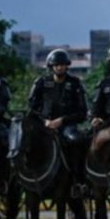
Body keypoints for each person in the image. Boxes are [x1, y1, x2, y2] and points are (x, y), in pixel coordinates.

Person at [27, 48, 89, 188]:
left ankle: (79, 179)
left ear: (67, 66)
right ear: (51, 67)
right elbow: (32, 108)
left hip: (67, 125)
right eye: (56, 65)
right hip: (44, 125)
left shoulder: (75, 83)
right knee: (24, 142)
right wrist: (45, 121)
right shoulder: (41, 82)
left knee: (77, 140)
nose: (60, 67)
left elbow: (82, 112)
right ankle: (23, 179)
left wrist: (61, 121)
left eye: (62, 65)